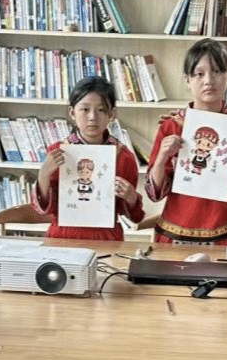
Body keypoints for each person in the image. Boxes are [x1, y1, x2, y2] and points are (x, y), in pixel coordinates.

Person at [145, 38, 227, 245]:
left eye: (217, 71)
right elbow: (155, 194)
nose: (209, 80)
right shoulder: (171, 127)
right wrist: (162, 159)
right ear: (187, 80)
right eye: (199, 74)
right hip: (173, 233)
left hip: (223, 233)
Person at [32, 76, 144, 240]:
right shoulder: (57, 153)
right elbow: (43, 209)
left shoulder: (123, 156)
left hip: (106, 239)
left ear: (112, 113)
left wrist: (131, 197)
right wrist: (43, 174)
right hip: (63, 237)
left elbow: (136, 217)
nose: (92, 117)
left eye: (101, 110)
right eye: (85, 109)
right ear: (72, 112)